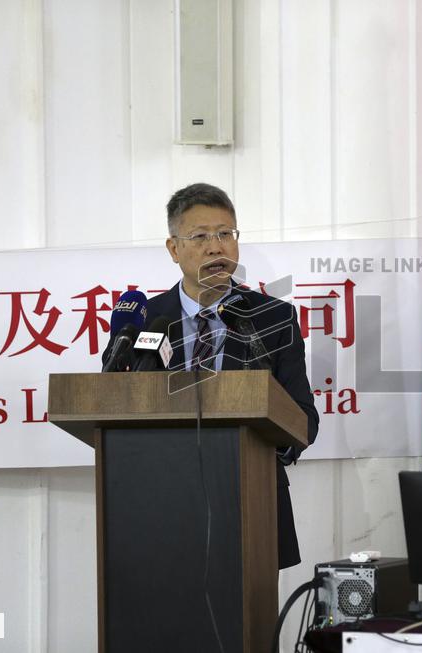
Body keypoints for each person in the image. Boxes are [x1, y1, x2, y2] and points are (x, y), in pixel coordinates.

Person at [110, 182, 319, 569]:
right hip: (159, 498)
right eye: (201, 236)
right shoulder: (145, 320)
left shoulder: (273, 318)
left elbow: (303, 419)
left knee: (249, 626)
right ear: (174, 249)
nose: (216, 247)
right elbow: (117, 401)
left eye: (225, 234)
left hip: (251, 497)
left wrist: (259, 447)